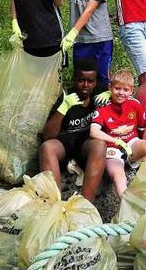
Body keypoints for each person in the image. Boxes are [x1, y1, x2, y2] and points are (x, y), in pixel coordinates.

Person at [38, 58, 107, 202]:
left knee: (100, 145)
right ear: (74, 80)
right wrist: (63, 108)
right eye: (81, 80)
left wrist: (111, 95)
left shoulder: (99, 94)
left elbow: (123, 97)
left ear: (95, 82)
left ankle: (86, 204)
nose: (86, 85)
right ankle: (54, 204)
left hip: (85, 145)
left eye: (90, 81)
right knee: (47, 148)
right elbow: (47, 135)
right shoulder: (65, 97)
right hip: (64, 144)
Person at [88, 69, 146, 196]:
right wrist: (116, 141)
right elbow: (93, 131)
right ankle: (126, 207)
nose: (121, 93)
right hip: (113, 150)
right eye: (117, 88)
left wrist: (144, 156)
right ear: (110, 87)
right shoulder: (103, 106)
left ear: (131, 91)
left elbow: (142, 129)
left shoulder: (135, 104)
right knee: (118, 176)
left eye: (125, 90)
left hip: (132, 144)